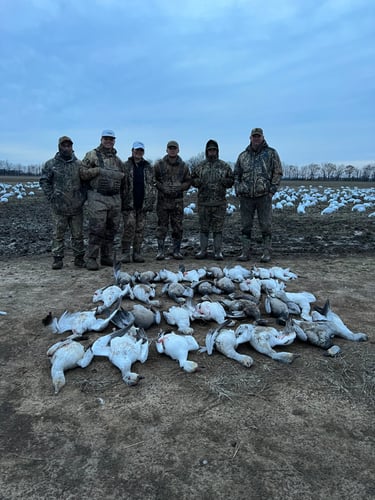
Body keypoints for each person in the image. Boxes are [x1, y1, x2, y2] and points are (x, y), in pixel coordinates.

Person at [234, 127, 283, 263]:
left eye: (258, 136)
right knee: (245, 225)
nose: (256, 139)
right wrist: (238, 188)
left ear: (262, 137)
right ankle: (245, 252)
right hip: (246, 197)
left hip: (263, 196)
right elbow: (236, 174)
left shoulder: (271, 153)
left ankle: (266, 252)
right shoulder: (243, 156)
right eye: (254, 136)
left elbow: (277, 172)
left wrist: (271, 190)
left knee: (266, 225)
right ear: (250, 138)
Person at [80, 129, 125, 271]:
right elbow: (82, 173)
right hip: (97, 196)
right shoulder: (92, 155)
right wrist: (97, 171)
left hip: (114, 198)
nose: (108, 141)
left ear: (114, 141)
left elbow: (124, 180)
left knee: (112, 228)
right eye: (106, 139)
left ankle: (106, 256)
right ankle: (92, 258)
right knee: (97, 228)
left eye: (111, 139)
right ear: (101, 139)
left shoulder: (118, 160)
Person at [40, 136, 86, 270]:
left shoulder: (79, 164)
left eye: (69, 145)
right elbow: (44, 181)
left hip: (76, 207)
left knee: (78, 235)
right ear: (59, 147)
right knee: (58, 234)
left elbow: (85, 183)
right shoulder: (51, 164)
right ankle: (57, 259)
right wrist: (51, 197)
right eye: (63, 145)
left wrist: (82, 198)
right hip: (58, 208)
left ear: (72, 147)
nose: (66, 148)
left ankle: (79, 259)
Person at [191, 139, 234, 260]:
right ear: (206, 151)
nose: (212, 152)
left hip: (219, 203)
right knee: (203, 228)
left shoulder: (224, 166)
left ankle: (218, 252)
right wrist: (197, 182)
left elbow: (231, 180)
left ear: (217, 151)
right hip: (203, 203)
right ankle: (203, 251)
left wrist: (225, 182)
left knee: (218, 229)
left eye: (214, 150)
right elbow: (192, 179)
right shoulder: (200, 166)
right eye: (210, 150)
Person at [154, 140, 191, 260]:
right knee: (161, 226)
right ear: (166, 150)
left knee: (178, 226)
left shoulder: (184, 166)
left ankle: (176, 251)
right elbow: (154, 180)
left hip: (177, 202)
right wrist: (162, 187)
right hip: (163, 201)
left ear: (178, 150)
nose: (172, 150)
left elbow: (188, 181)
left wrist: (180, 187)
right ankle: (160, 251)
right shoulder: (159, 165)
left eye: (174, 148)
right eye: (170, 148)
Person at [121, 141, 156, 263]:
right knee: (129, 227)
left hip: (143, 203)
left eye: (141, 150)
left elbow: (152, 185)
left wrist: (150, 201)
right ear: (132, 151)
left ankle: (137, 253)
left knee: (140, 229)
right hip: (129, 203)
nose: (138, 153)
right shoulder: (125, 166)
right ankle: (125, 253)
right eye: (137, 150)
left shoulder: (148, 168)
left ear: (143, 152)